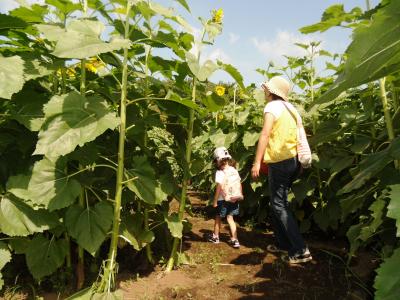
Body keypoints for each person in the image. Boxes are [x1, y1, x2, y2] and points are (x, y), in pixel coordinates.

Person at [251, 76, 312, 264]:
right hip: (293, 161)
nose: (264, 91)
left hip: (279, 162)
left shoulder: (271, 107)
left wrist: (256, 162)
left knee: (279, 205)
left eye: (266, 88)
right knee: (278, 203)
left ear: (272, 92)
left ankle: (301, 250)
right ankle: (282, 243)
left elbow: (265, 134)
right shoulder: (292, 109)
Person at [208, 146, 242, 248]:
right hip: (234, 198)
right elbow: (239, 183)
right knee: (230, 218)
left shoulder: (220, 172)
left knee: (218, 217)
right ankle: (235, 240)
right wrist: (240, 195)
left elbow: (219, 187)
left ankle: (216, 237)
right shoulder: (234, 170)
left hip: (223, 199)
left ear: (218, 161)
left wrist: (215, 201)